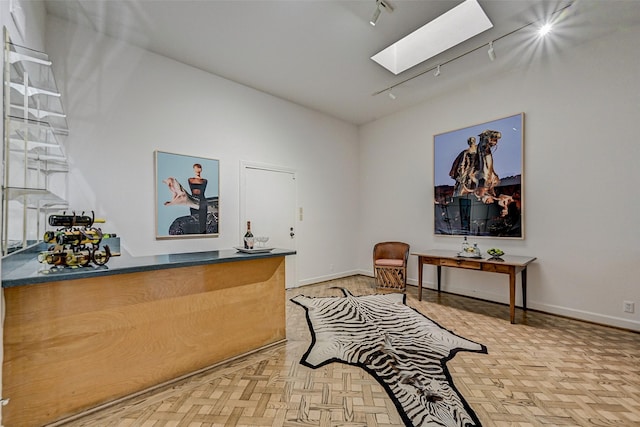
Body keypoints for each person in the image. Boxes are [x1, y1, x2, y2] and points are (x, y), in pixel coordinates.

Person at [188, 163, 208, 233]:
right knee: (194, 220)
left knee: (203, 220)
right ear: (194, 169)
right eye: (196, 168)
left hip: (202, 201)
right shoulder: (190, 179)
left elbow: (202, 189)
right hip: (193, 200)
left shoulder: (204, 180)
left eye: (199, 168)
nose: (198, 169)